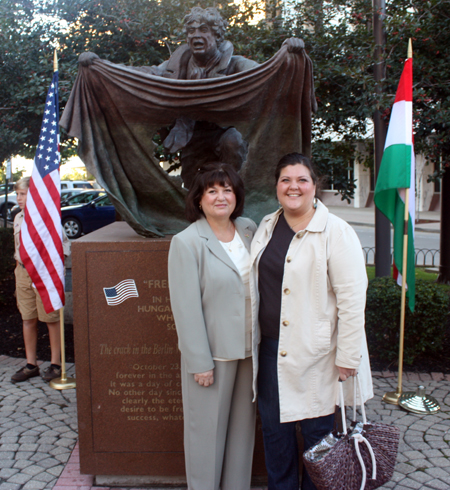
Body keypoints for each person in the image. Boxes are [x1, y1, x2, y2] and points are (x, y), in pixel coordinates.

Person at [78, 6, 306, 189]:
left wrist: (288, 55)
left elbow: (267, 74)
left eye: (203, 30)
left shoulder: (235, 64)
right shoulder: (175, 66)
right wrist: (102, 67)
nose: (196, 35)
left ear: (216, 35)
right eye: (191, 31)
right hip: (191, 136)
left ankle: (233, 195)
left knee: (233, 142)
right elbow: (145, 74)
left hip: (224, 131)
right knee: (193, 189)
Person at [250, 153, 373, 490]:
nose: (294, 187)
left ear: (314, 186)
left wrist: (348, 357)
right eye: (286, 180)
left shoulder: (336, 232)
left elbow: (352, 299)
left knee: (320, 443)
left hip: (318, 354)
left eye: (302, 180)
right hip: (271, 351)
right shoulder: (267, 226)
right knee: (276, 437)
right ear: (276, 186)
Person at [168, 163, 257, 490]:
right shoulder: (187, 242)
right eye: (212, 190)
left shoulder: (248, 228)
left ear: (237, 196)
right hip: (213, 357)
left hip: (250, 351)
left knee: (242, 433)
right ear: (199, 199)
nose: (221, 197)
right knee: (205, 435)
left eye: (228, 189)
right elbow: (185, 307)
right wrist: (199, 362)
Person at [11, 177, 71, 383]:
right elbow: (17, 247)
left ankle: (55, 364)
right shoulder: (18, 218)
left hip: (43, 274)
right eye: (17, 194)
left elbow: (64, 245)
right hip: (22, 273)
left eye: (22, 194)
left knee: (51, 319)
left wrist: (55, 268)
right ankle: (31, 364)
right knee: (27, 318)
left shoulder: (47, 219)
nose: (18, 198)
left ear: (34, 195)